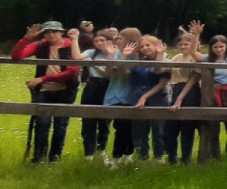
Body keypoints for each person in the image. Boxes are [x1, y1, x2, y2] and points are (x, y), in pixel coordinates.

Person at [11, 21, 80, 163]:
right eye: (47, 32)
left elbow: (72, 72)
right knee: (42, 124)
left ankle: (55, 158)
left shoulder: (70, 46)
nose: (51, 34)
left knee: (60, 125)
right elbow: (16, 56)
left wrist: (43, 78)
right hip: (43, 90)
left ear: (61, 32)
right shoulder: (40, 45)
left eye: (54, 31)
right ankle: (39, 158)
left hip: (65, 90)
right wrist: (27, 38)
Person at [69, 27, 115, 160]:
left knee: (105, 122)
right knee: (88, 120)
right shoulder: (91, 52)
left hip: (108, 86)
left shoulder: (116, 53)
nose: (99, 43)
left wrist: (94, 65)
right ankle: (88, 154)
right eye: (96, 41)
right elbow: (76, 57)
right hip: (92, 86)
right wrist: (74, 39)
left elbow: (109, 75)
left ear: (109, 41)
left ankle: (102, 151)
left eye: (102, 40)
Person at [198, 34, 227, 160]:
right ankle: (215, 156)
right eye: (215, 47)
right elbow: (193, 53)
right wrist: (196, 35)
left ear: (226, 46)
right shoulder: (207, 59)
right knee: (213, 127)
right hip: (212, 95)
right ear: (211, 48)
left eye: (221, 46)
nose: (219, 49)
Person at [128, 35, 170, 161]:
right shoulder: (140, 62)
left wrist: (145, 97)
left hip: (158, 97)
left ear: (156, 45)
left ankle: (159, 157)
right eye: (142, 47)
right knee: (139, 129)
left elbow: (161, 82)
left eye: (148, 45)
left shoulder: (166, 61)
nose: (145, 48)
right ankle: (142, 156)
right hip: (137, 96)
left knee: (159, 129)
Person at [165, 29, 203, 164]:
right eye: (180, 44)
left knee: (187, 127)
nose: (183, 46)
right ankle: (171, 158)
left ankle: (186, 159)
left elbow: (193, 79)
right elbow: (163, 69)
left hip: (190, 92)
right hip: (175, 89)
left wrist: (180, 99)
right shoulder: (177, 57)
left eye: (186, 44)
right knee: (170, 128)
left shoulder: (196, 58)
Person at [105, 28, 141, 166]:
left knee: (132, 128)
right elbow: (110, 73)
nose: (117, 40)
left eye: (120, 38)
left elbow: (125, 72)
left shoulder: (139, 56)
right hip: (117, 95)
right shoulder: (116, 53)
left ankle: (128, 155)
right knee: (121, 127)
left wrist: (124, 57)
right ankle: (116, 157)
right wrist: (112, 56)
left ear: (129, 40)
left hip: (134, 96)